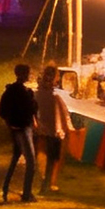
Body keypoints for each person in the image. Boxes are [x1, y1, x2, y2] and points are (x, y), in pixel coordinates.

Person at [0, 63, 39, 204]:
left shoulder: (10, 91)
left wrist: (9, 124)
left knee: (15, 158)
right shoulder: (25, 93)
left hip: (15, 128)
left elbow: (2, 112)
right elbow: (32, 109)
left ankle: (5, 188)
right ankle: (27, 194)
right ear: (24, 74)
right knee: (31, 162)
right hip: (24, 128)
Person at [36, 65, 72, 194]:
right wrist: (68, 128)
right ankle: (51, 183)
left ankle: (43, 178)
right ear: (54, 78)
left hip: (40, 128)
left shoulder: (37, 94)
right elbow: (62, 114)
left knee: (42, 152)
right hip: (53, 130)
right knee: (54, 158)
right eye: (57, 75)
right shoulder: (55, 96)